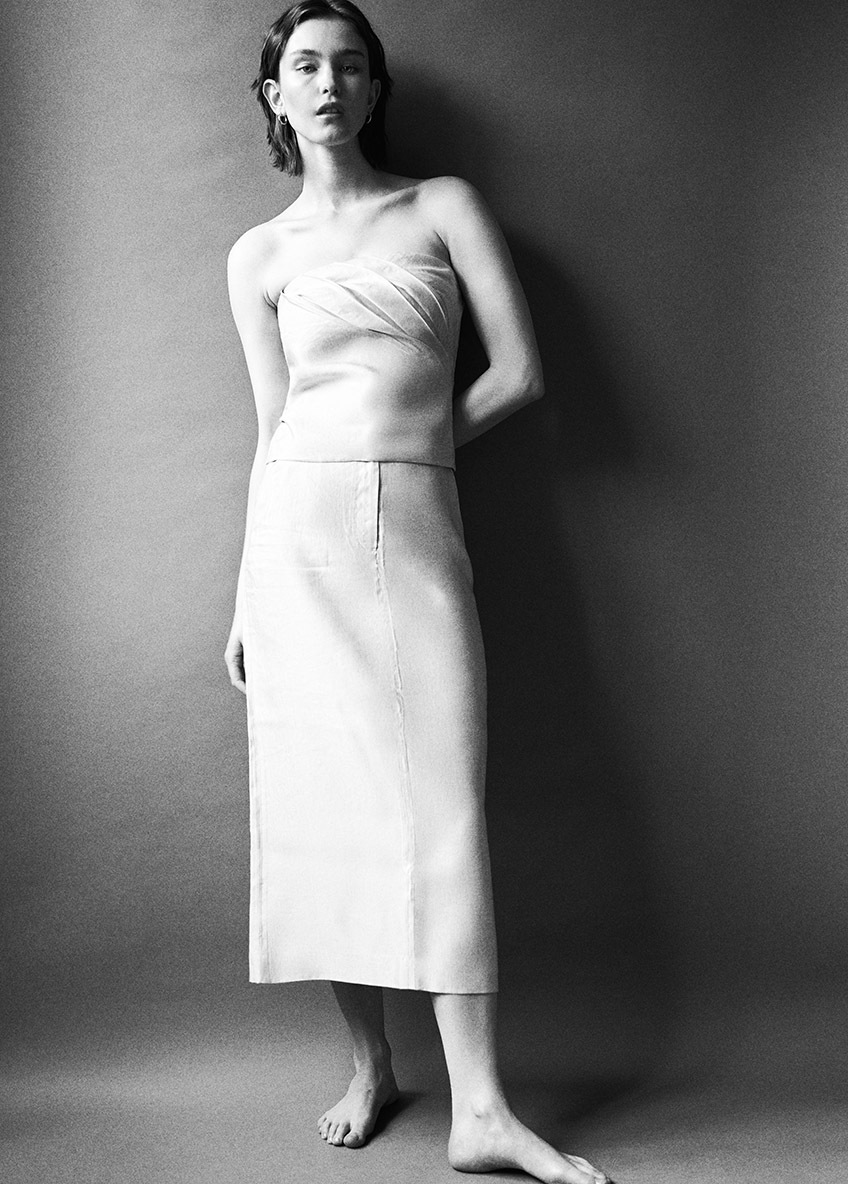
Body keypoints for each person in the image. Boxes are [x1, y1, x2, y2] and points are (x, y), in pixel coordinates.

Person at [224, 4, 613, 1182]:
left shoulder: (440, 205)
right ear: (275, 94)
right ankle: (371, 1064)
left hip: (414, 529)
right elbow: (270, 427)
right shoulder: (257, 255)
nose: (327, 82)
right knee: (321, 808)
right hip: (295, 540)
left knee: (440, 804)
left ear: (373, 87)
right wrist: (242, 595)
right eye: (305, 65)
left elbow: (519, 371)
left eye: (349, 64)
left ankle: (480, 1108)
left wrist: (405, 452)